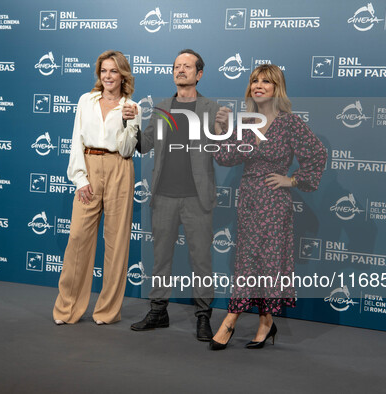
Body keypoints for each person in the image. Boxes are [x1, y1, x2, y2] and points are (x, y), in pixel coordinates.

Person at [209, 64, 327, 350]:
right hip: (248, 199)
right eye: (254, 81)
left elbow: (317, 154)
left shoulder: (289, 123)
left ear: (277, 88)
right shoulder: (247, 122)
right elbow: (225, 158)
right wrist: (220, 129)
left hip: (274, 202)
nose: (258, 85)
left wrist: (293, 180)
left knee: (268, 261)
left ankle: (231, 319)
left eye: (266, 81)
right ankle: (266, 321)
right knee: (249, 260)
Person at [130, 49, 223, 341]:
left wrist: (224, 129)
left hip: (198, 197)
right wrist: (131, 121)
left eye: (187, 66)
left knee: (201, 260)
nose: (180, 70)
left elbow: (223, 153)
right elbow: (143, 146)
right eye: (177, 66)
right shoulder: (160, 107)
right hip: (164, 196)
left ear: (200, 73)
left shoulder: (212, 108)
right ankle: (159, 310)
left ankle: (203, 315)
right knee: (160, 258)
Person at [53, 50, 141, 325]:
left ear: (123, 75)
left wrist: (130, 121)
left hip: (119, 168)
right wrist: (80, 179)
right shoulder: (86, 101)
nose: (107, 76)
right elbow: (76, 140)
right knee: (78, 238)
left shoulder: (132, 106)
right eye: (103, 71)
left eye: (113, 71)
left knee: (116, 243)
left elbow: (128, 149)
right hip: (89, 166)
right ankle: (67, 309)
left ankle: (107, 311)